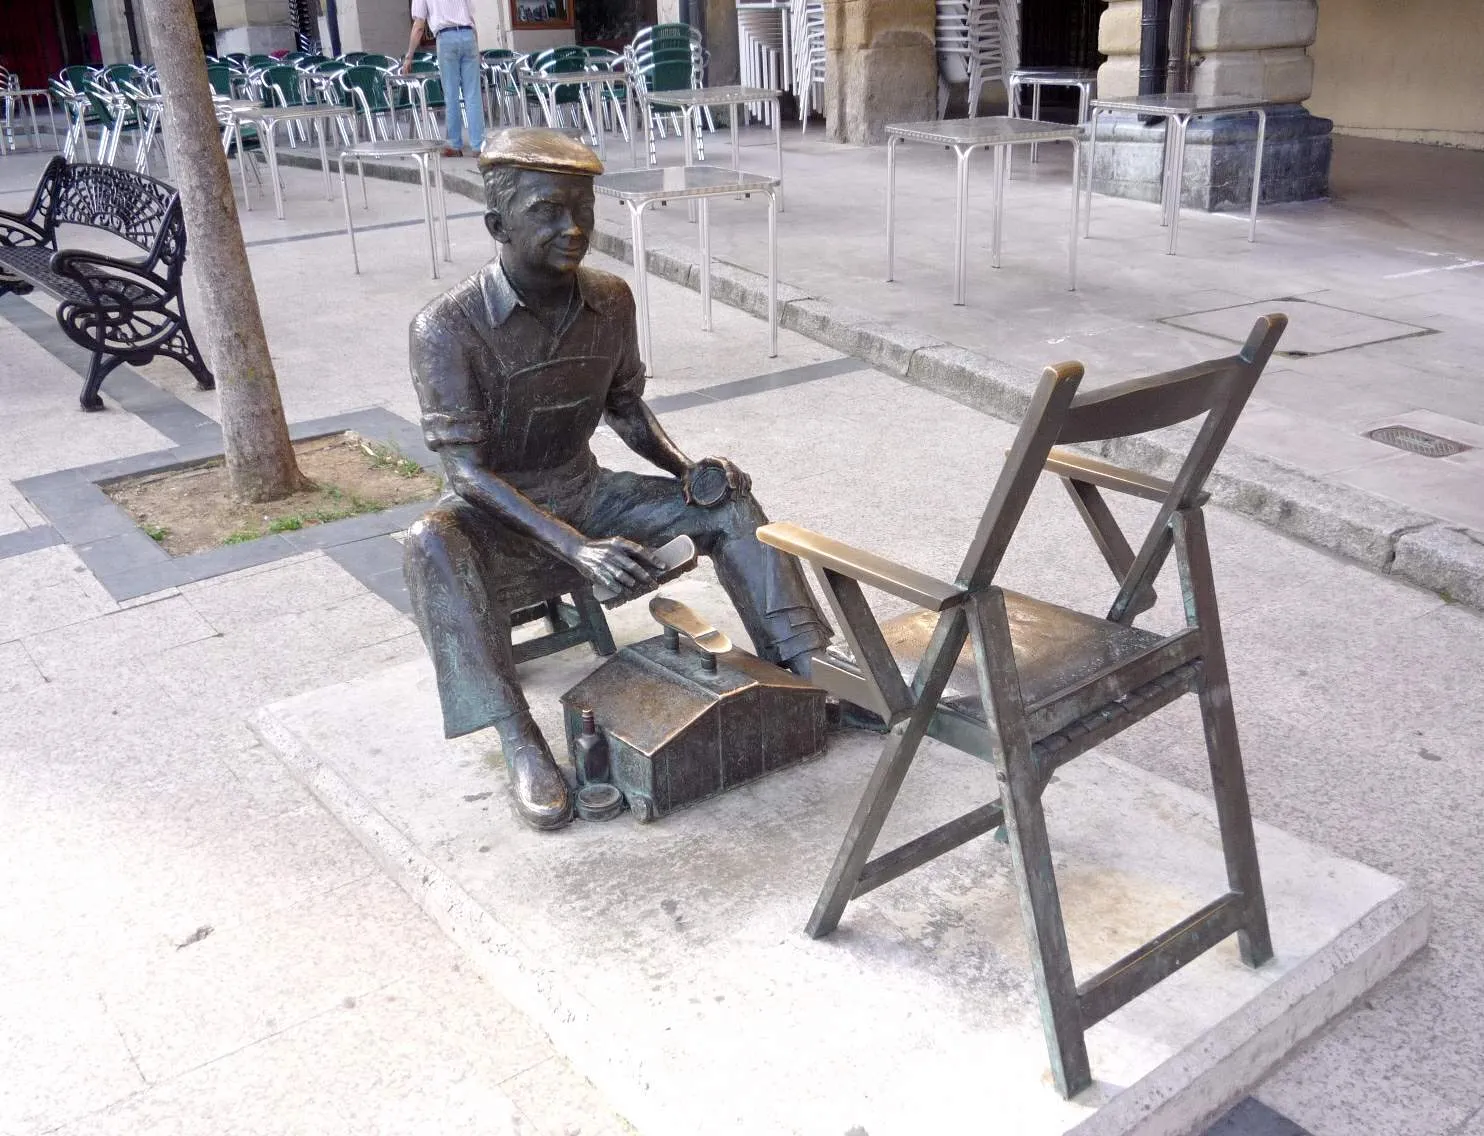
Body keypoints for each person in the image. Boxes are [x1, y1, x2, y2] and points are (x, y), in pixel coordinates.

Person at [402, 128, 833, 831]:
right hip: (501, 522)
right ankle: (519, 738)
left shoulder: (611, 300)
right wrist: (575, 548)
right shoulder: (447, 328)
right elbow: (465, 472)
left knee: (729, 501)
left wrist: (687, 469)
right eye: (546, 211)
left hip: (588, 494)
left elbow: (627, 409)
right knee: (427, 544)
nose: (572, 228)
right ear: (496, 225)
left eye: (582, 209)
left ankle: (806, 662)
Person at [402, 0, 484, 158]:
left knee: (451, 94)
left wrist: (409, 56)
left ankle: (454, 144)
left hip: (446, 38)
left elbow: (419, 26)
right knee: (473, 94)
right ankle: (479, 145)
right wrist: (477, 47)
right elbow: (471, 19)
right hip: (468, 35)